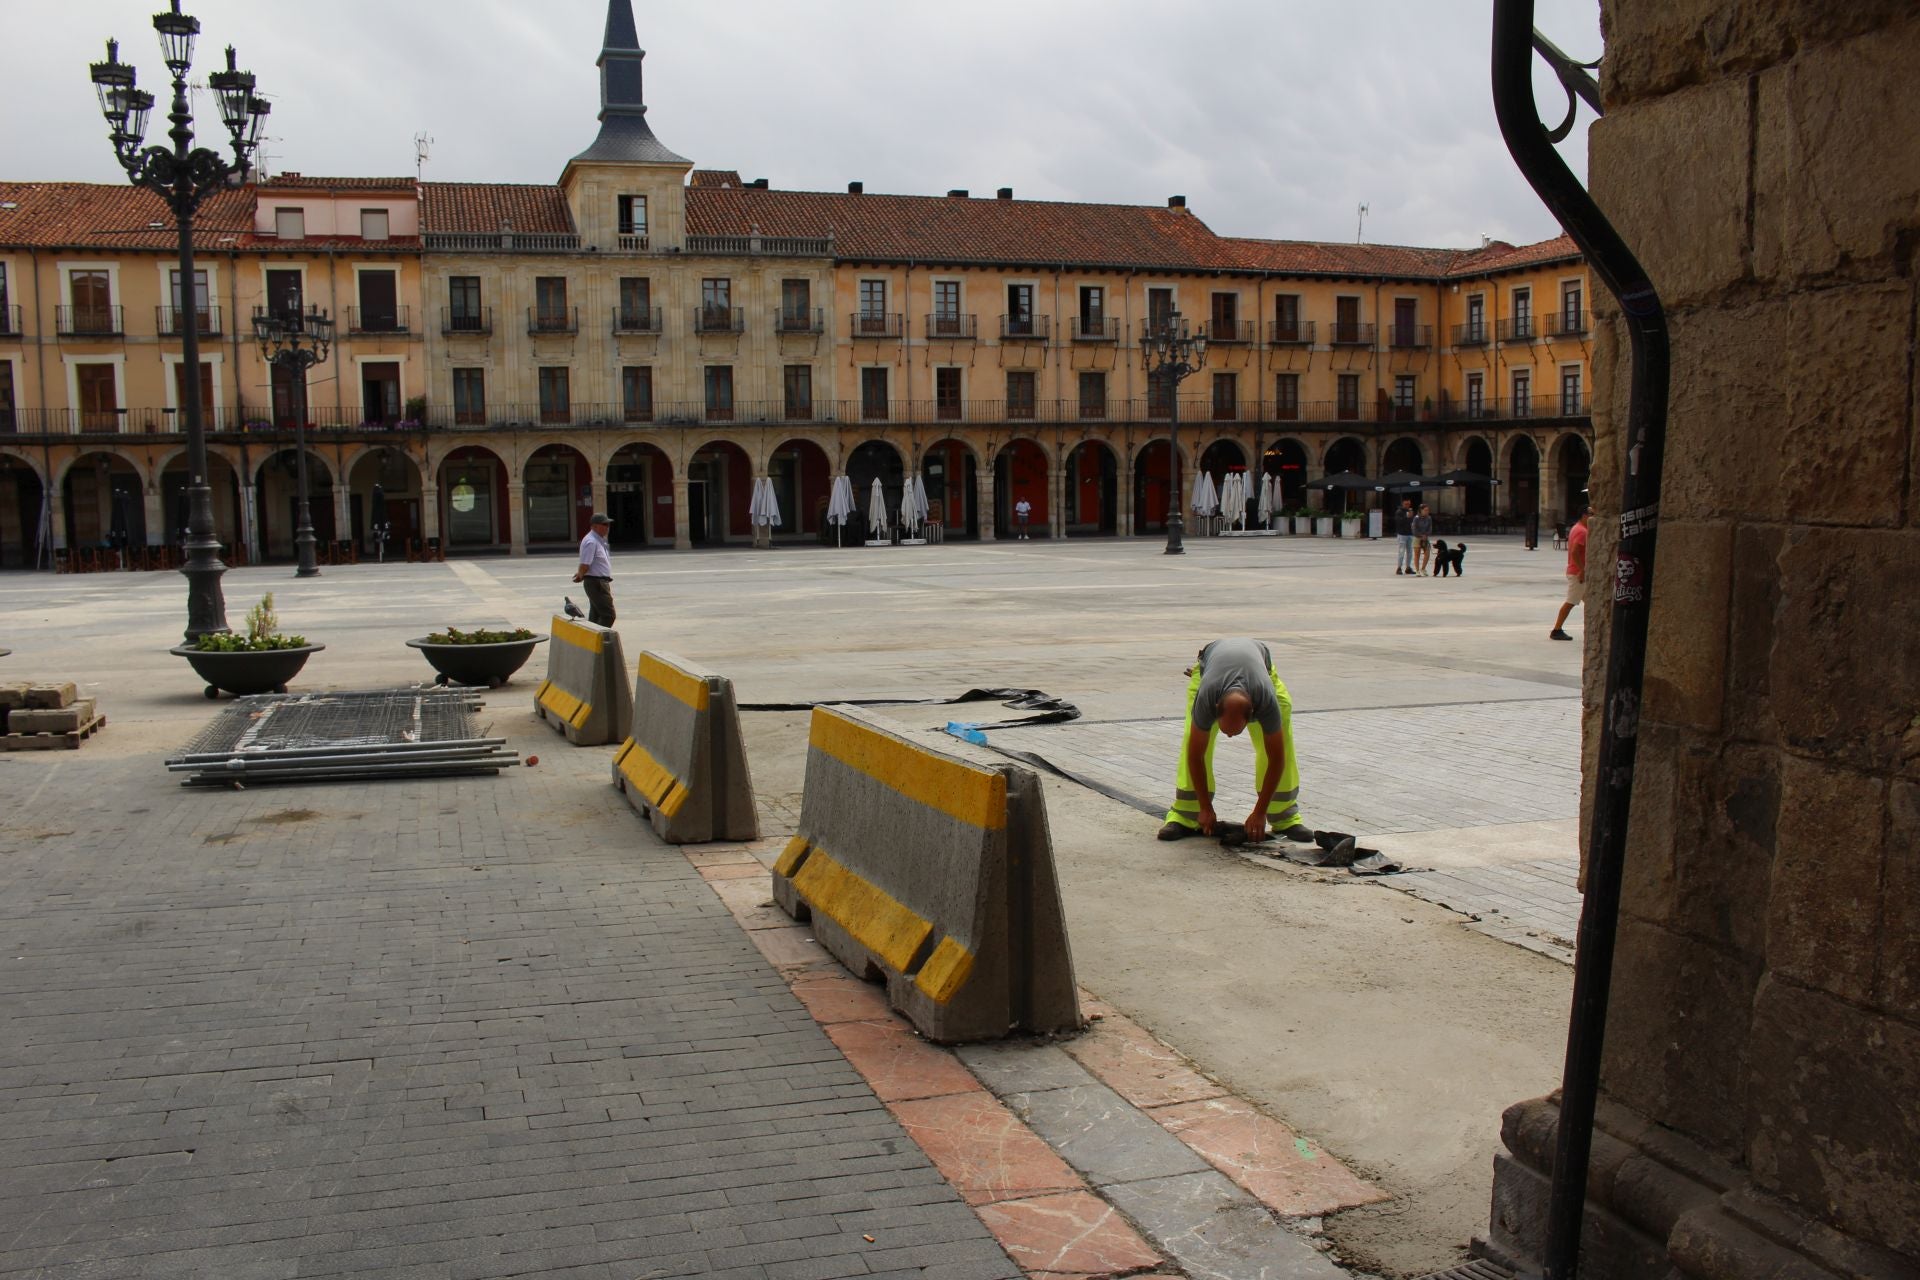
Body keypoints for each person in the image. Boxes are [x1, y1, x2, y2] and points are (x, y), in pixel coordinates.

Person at [1158, 638, 1312, 844]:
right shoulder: (1206, 698)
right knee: (1191, 740)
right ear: (1215, 709)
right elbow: (1195, 755)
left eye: (1234, 732)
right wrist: (1205, 807)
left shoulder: (1267, 702)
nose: (1229, 736)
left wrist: (1260, 812)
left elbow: (1277, 758)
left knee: (1282, 741)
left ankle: (1285, 817)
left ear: (1253, 715)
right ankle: (1186, 815)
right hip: (1209, 671)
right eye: (1225, 730)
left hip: (1262, 672)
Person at [1550, 509, 1589, 640]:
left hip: (1577, 571)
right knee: (1571, 602)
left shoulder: (1577, 528)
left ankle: (1593, 628)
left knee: (1591, 601)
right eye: (1591, 515)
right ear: (1584, 515)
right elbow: (1574, 552)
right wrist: (1582, 570)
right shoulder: (1582, 531)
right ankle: (1556, 629)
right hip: (1578, 573)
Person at [572, 513, 616, 627]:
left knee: (595, 616)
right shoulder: (591, 541)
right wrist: (580, 575)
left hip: (598, 582)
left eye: (608, 525)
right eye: (604, 524)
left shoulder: (598, 540)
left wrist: (581, 573)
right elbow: (585, 563)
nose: (607, 527)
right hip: (597, 583)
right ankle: (599, 641)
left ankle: (590, 642)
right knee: (608, 615)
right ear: (594, 526)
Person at [1393, 497, 1416, 574]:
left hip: (1410, 534)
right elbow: (1398, 522)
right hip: (1402, 534)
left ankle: (1408, 567)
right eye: (1406, 504)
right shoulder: (1399, 512)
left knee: (1410, 552)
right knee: (1401, 551)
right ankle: (1399, 567)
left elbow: (1413, 522)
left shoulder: (1410, 511)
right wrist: (1407, 517)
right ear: (1403, 504)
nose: (1407, 505)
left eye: (1409, 504)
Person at [1412, 503, 1435, 576]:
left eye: (1427, 510)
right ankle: (1417, 570)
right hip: (1417, 537)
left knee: (1427, 553)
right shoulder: (1416, 518)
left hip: (1425, 537)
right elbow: (1414, 529)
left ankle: (1423, 568)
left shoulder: (1429, 518)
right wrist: (1420, 535)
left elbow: (1430, 528)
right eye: (1425, 510)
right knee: (1417, 554)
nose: (1427, 511)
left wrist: (1426, 535)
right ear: (1421, 510)